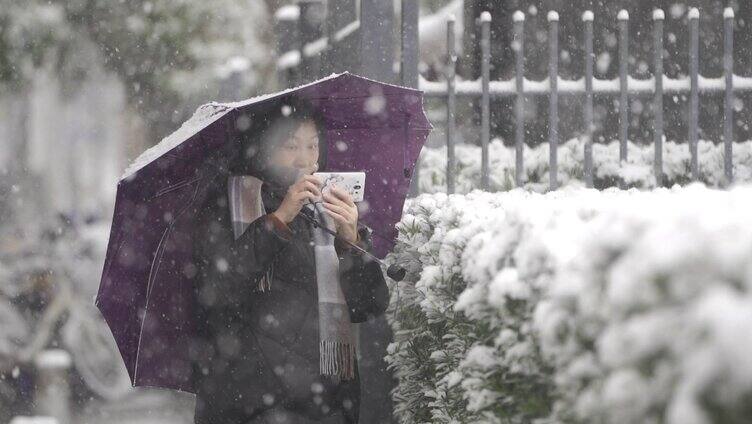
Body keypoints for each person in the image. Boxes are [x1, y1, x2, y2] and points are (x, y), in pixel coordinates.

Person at [190, 98, 389, 424]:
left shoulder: (327, 208)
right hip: (249, 399)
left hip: (325, 403)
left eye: (313, 146)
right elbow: (219, 290)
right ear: (263, 148)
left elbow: (369, 305)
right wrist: (280, 218)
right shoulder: (228, 203)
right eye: (291, 146)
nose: (305, 159)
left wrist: (351, 240)